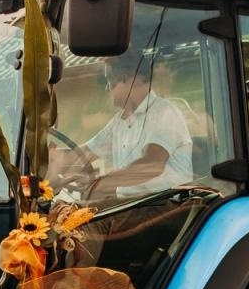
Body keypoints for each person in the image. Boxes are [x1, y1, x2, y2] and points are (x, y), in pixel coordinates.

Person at [63, 51, 192, 200]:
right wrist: (44, 160)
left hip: (166, 206)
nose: (107, 89)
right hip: (131, 205)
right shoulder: (119, 123)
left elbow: (152, 165)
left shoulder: (165, 112)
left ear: (127, 78)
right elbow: (82, 154)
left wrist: (100, 184)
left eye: (110, 81)